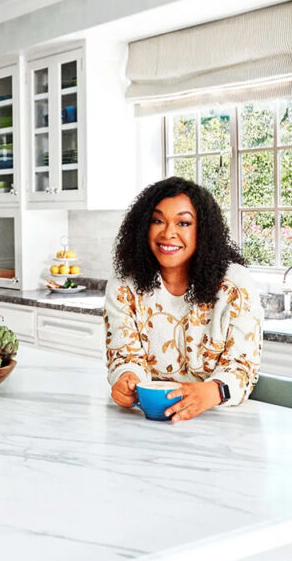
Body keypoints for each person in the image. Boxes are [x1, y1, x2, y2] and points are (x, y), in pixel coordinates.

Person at [104, 177, 263, 421]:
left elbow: (242, 368)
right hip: (145, 422)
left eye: (183, 222)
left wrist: (212, 392)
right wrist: (126, 379)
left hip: (217, 422)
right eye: (157, 220)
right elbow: (125, 358)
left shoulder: (234, 285)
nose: (168, 233)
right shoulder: (124, 286)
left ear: (202, 231)